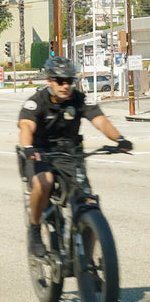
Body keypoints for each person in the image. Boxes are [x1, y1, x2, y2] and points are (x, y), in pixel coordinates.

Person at [18, 56, 133, 257]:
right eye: (60, 81)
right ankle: (35, 230)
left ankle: (87, 265)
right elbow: (26, 126)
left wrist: (120, 139)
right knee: (44, 183)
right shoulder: (37, 102)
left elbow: (100, 121)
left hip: (69, 155)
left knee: (88, 201)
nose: (65, 86)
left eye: (69, 81)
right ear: (49, 81)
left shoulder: (79, 99)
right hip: (39, 153)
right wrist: (28, 147)